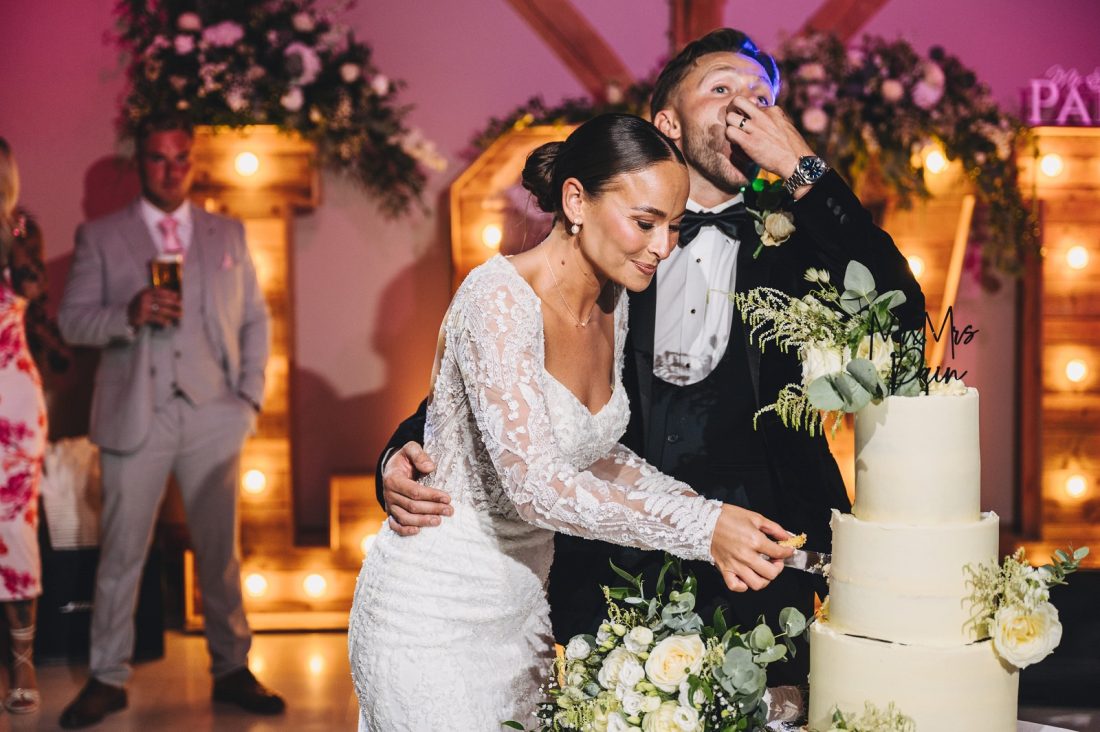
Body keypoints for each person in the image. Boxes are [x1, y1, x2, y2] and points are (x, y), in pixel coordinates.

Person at [377, 28, 926, 688]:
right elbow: (503, 362)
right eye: (720, 88)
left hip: (759, 559)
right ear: (667, 121)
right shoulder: (606, 234)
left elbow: (901, 313)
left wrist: (806, 170)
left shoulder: (804, 232)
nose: (744, 105)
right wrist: (403, 452)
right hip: (607, 568)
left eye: (761, 95)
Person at [348, 113, 798, 730]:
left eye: (673, 225)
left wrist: (706, 510)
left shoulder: (614, 302)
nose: (663, 248)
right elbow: (535, 485)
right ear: (575, 199)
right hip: (433, 615)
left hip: (524, 613)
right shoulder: (496, 297)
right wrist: (698, 528)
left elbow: (591, 452)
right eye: (645, 223)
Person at [57, 114, 283, 728]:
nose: (172, 169)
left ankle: (232, 667)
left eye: (182, 157)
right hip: (137, 413)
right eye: (159, 158)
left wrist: (248, 399)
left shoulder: (226, 234)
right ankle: (107, 676)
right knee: (123, 552)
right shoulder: (101, 236)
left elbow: (255, 321)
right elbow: (73, 322)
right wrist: (126, 313)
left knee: (221, 552)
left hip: (215, 411)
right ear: (140, 163)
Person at [0, 138, 48, 715]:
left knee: (15, 529)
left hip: (10, 400)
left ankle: (22, 659)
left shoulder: (19, 232)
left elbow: (34, 285)